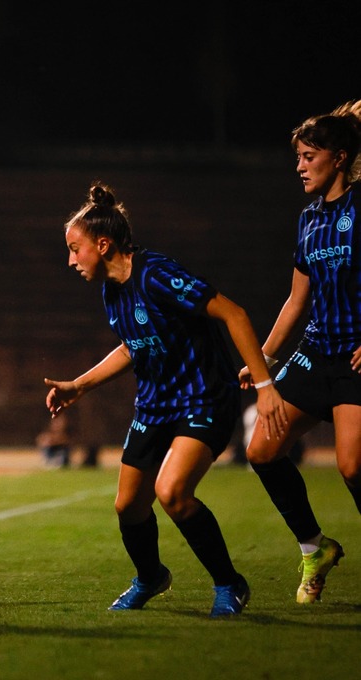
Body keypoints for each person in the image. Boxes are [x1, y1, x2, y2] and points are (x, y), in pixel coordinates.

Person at [43, 182, 287, 617]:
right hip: (156, 404)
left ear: (103, 244)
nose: (70, 260)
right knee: (128, 506)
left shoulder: (156, 274)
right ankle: (151, 576)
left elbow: (234, 314)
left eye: (74, 249)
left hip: (204, 399)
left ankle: (230, 584)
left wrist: (266, 387)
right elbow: (130, 346)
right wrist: (79, 386)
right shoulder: (111, 290)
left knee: (172, 491)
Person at [240, 100, 361, 604]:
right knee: (262, 451)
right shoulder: (309, 219)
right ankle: (315, 547)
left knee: (353, 467)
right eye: (298, 157)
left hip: (355, 358)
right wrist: (262, 356)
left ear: (338, 157)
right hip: (316, 352)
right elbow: (297, 298)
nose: (299, 166)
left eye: (309, 156)